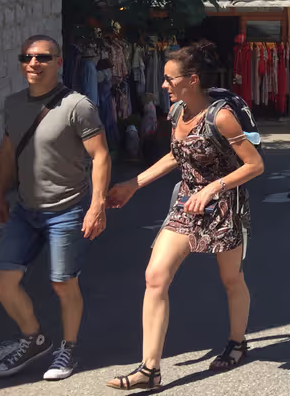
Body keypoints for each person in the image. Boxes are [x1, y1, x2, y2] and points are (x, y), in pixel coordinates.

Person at [105, 41, 264, 390]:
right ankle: (150, 369)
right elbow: (177, 156)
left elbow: (255, 165)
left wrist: (213, 188)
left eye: (169, 79)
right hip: (186, 205)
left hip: (223, 208)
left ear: (192, 80)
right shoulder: (177, 112)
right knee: (155, 277)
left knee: (231, 279)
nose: (164, 85)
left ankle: (238, 343)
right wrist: (135, 183)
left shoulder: (220, 116)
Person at [0, 35, 110, 381]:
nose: (33, 63)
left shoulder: (77, 106)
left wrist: (97, 206)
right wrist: (0, 194)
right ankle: (35, 339)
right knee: (1, 281)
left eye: (42, 58)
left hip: (67, 209)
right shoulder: (13, 103)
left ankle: (68, 349)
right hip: (26, 210)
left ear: (58, 63)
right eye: (26, 57)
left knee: (63, 283)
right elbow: (8, 151)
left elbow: (101, 155)